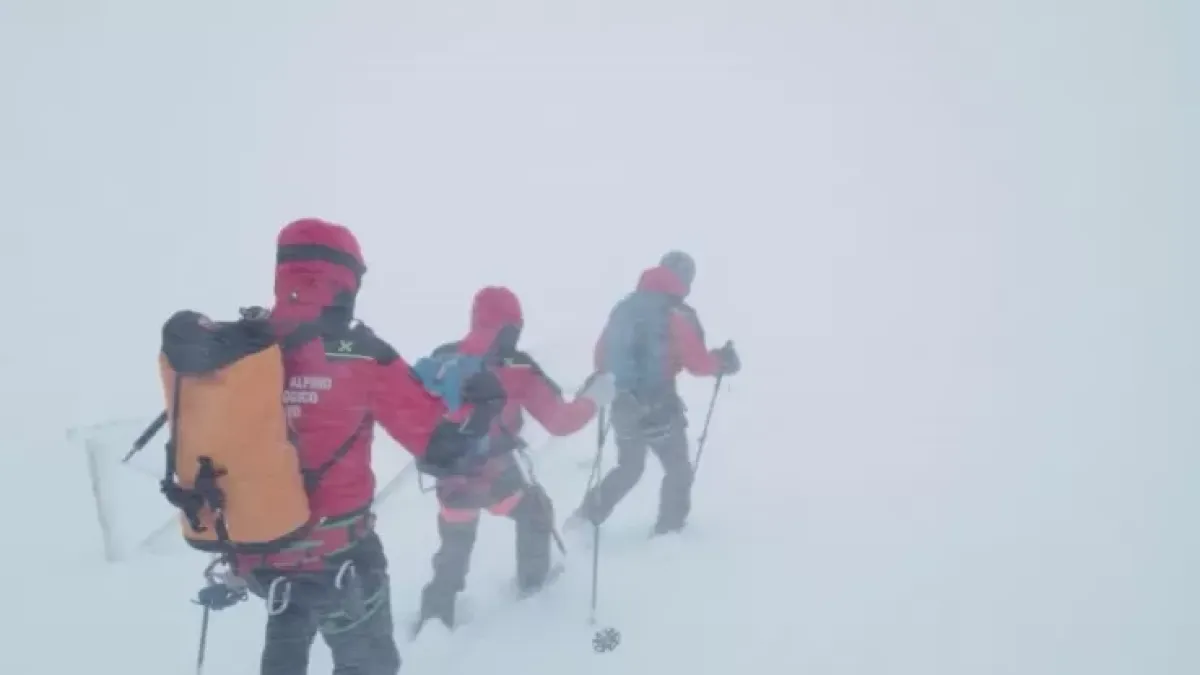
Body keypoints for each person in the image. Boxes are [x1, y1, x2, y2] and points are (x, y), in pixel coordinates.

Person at [236, 218, 506, 675]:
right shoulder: (360, 353)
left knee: (288, 632)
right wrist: (483, 411)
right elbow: (443, 450)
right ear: (344, 280)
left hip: (258, 551)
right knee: (369, 662)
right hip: (337, 553)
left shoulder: (243, 345)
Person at [413, 285, 615, 632]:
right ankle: (533, 589)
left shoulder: (444, 356)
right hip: (496, 476)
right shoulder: (518, 366)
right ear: (513, 324)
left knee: (455, 545)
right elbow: (560, 421)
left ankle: (435, 618)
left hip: (451, 478)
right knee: (536, 512)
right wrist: (593, 399)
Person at [569, 250, 740, 536]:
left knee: (630, 467)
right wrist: (722, 362)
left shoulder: (624, 308)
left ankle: (585, 517)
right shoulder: (676, 312)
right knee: (678, 468)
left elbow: (600, 357)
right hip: (659, 405)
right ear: (685, 280)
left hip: (622, 404)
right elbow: (697, 363)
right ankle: (669, 531)